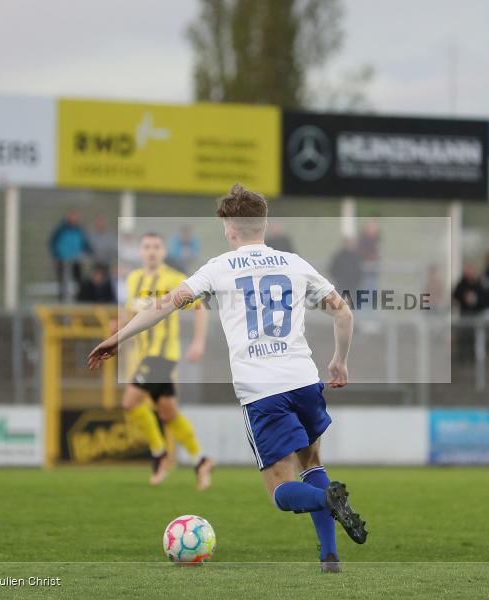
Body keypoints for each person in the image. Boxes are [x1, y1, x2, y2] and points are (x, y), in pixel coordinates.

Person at [88, 184, 367, 573]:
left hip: (262, 389)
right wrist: (340, 361)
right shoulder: (294, 262)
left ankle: (326, 502)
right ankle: (329, 557)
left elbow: (164, 305)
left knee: (281, 490)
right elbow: (344, 313)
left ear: (230, 229)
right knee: (312, 461)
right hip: (304, 379)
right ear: (264, 225)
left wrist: (118, 338)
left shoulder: (219, 267)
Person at [118, 233, 214, 490]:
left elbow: (199, 307)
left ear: (163, 252)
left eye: (156, 246)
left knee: (129, 402)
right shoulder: (134, 278)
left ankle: (159, 454)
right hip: (142, 356)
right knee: (168, 413)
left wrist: (198, 342)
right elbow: (129, 313)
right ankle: (200, 460)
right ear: (140, 251)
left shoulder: (173, 279)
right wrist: (116, 332)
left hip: (162, 356)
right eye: (146, 246)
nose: (151, 251)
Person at [50, 209, 91, 301]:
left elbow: (85, 244)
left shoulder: (79, 230)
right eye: (72, 216)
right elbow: (53, 243)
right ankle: (62, 304)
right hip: (63, 261)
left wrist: (88, 253)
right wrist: (56, 257)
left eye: (75, 216)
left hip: (76, 261)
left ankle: (78, 302)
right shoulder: (61, 229)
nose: (74, 218)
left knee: (78, 283)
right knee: (63, 284)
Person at [452, 264, 486, 362]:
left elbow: (484, 298)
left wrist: (476, 300)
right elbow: (456, 295)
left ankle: (474, 358)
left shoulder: (479, 284)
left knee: (475, 338)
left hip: (476, 315)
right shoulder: (461, 284)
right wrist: (464, 296)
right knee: (463, 337)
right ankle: (462, 357)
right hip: (464, 315)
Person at [328, 237, 363, 309]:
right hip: (341, 286)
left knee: (351, 306)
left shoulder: (355, 256)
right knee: (340, 307)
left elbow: (359, 271)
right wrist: (338, 279)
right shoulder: (338, 256)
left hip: (353, 286)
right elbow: (333, 269)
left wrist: (357, 281)